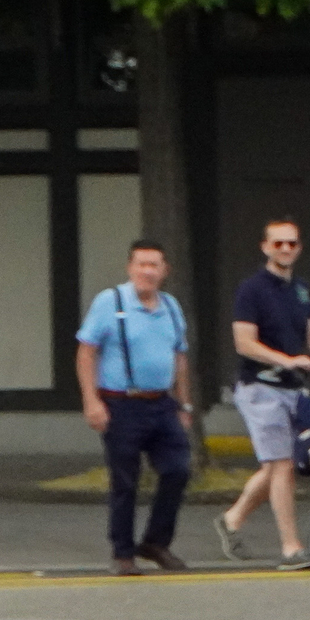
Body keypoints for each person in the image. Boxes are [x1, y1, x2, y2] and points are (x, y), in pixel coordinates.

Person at [73, 240, 193, 576]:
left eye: (154, 265)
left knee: (177, 469)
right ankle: (123, 553)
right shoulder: (109, 302)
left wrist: (184, 403)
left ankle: (156, 542)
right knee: (125, 480)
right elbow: (86, 352)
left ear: (164, 270)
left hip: (161, 404)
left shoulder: (170, 306)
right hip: (121, 403)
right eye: (142, 264)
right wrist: (91, 400)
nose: (148, 272)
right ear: (130, 267)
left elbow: (179, 357)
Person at [217, 218, 310, 570]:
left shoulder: (302, 290)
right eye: (279, 244)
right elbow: (244, 343)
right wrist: (288, 361)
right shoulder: (251, 290)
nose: (286, 249)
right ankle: (291, 547)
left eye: (292, 243)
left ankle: (232, 519)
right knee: (283, 464)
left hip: (294, 389)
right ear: (265, 247)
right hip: (260, 388)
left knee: (276, 465)